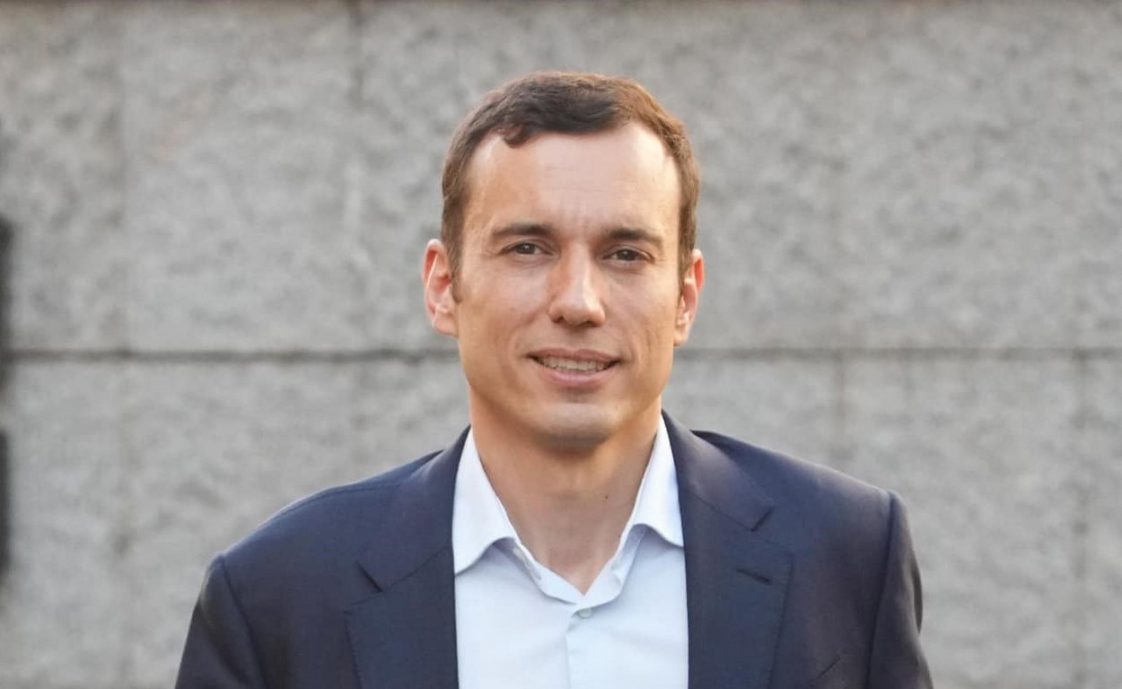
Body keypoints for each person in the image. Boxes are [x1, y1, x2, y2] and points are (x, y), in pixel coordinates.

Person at [175, 71, 932, 689]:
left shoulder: (845, 556)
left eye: (626, 254)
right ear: (443, 286)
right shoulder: (278, 595)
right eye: (529, 248)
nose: (578, 302)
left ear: (685, 298)